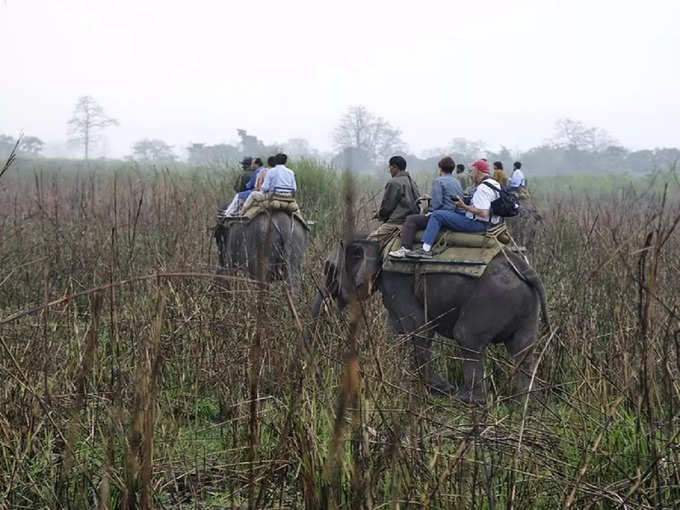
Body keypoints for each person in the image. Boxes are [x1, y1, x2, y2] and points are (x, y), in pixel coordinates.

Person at [406, 159, 501, 259]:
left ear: (478, 171)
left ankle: (425, 250)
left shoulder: (482, 188)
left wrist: (463, 206)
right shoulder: (494, 184)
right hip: (489, 222)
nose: (471, 174)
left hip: (477, 223)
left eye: (472, 171)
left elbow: (483, 212)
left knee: (437, 214)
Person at [389, 156, 463, 258]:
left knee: (411, 219)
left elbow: (437, 204)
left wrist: (428, 210)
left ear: (440, 168)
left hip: (441, 216)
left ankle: (405, 248)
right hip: (453, 215)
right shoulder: (456, 181)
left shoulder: (439, 181)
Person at [367, 155, 420, 249]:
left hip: (397, 221)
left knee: (370, 241)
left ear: (395, 167)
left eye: (390, 167)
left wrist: (379, 215)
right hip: (411, 220)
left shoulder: (394, 182)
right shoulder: (412, 181)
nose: (389, 170)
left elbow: (387, 207)